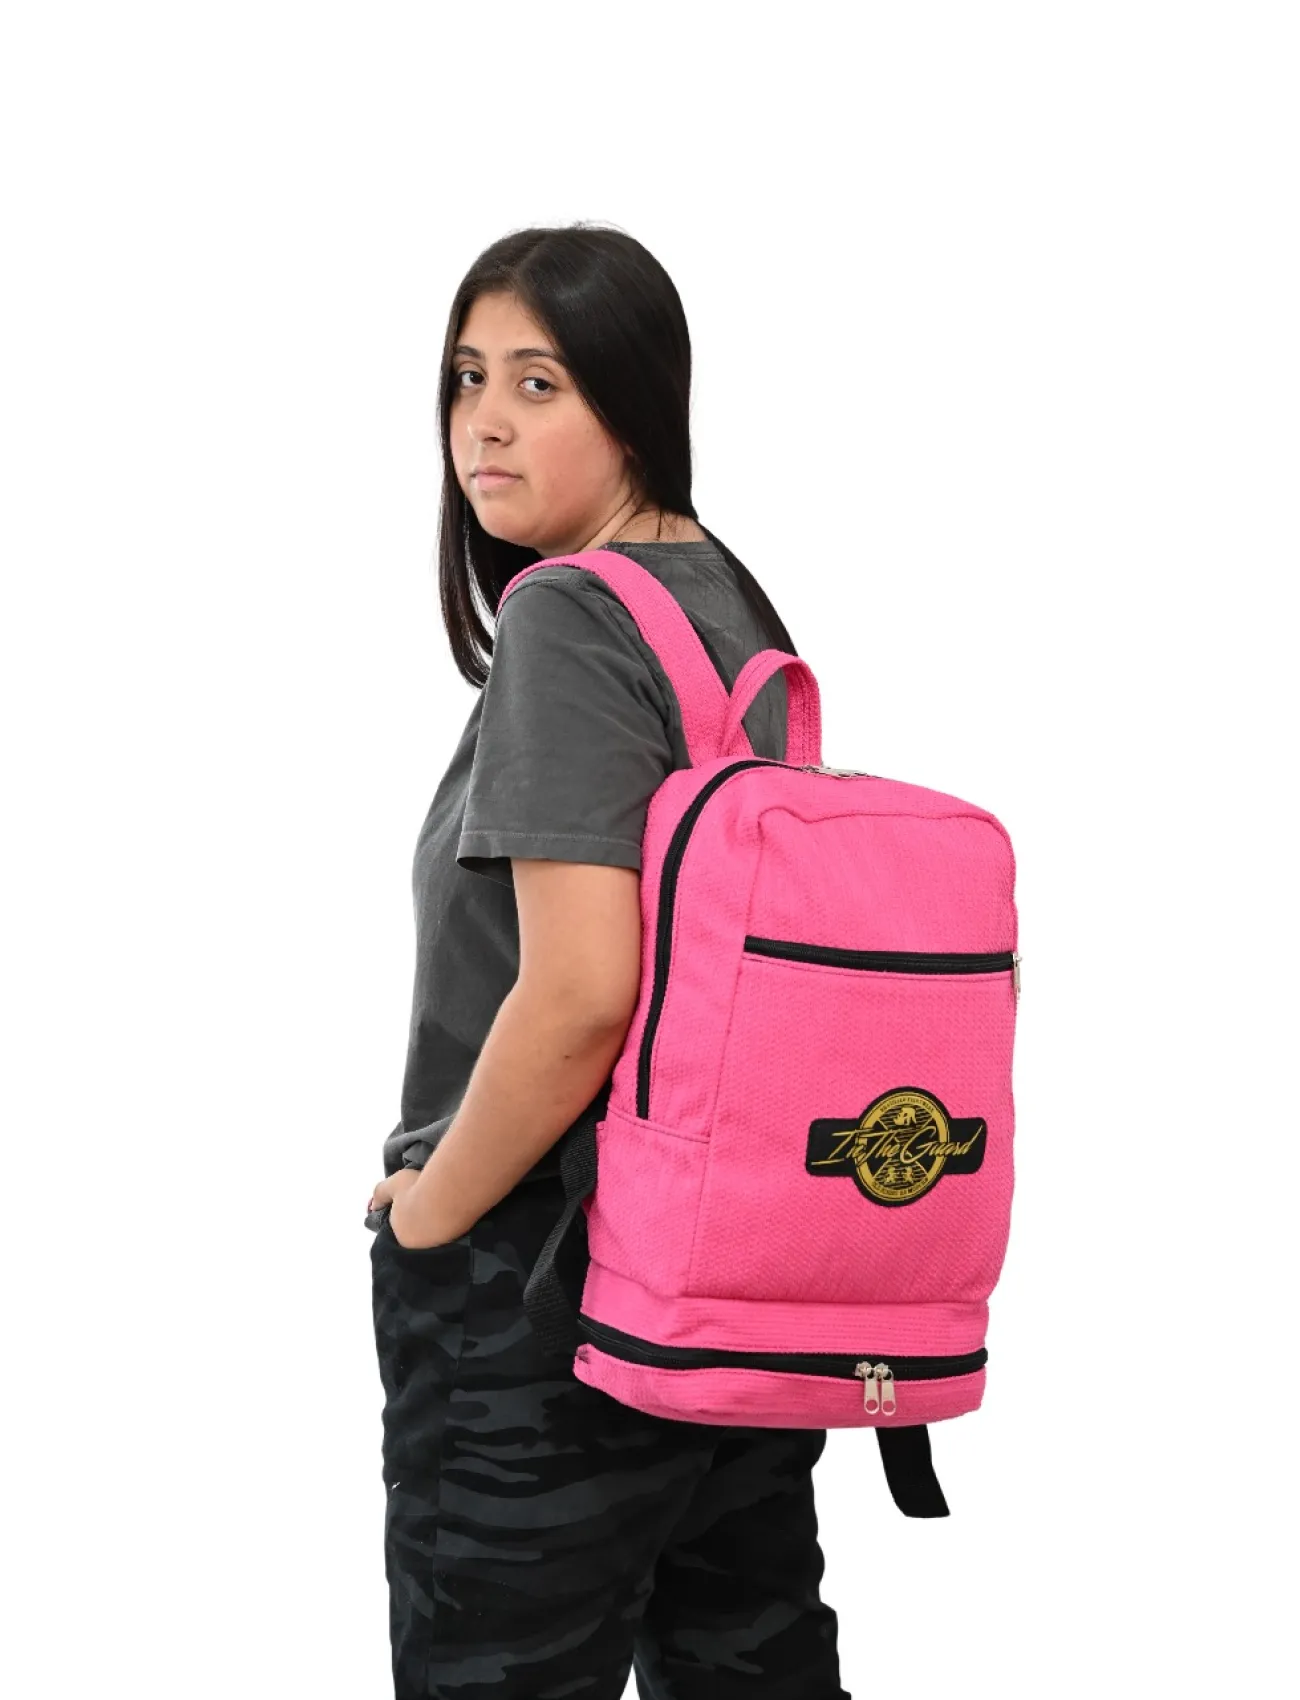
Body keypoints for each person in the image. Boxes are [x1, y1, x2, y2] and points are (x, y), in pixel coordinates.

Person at [364, 223, 850, 1700]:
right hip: (728, 1263)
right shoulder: (723, 600)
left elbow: (584, 989)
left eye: (540, 383)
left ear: (635, 406)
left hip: (546, 1279)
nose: (486, 424)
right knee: (751, 1664)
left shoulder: (572, 618)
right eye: (467, 379)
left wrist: (433, 1211)